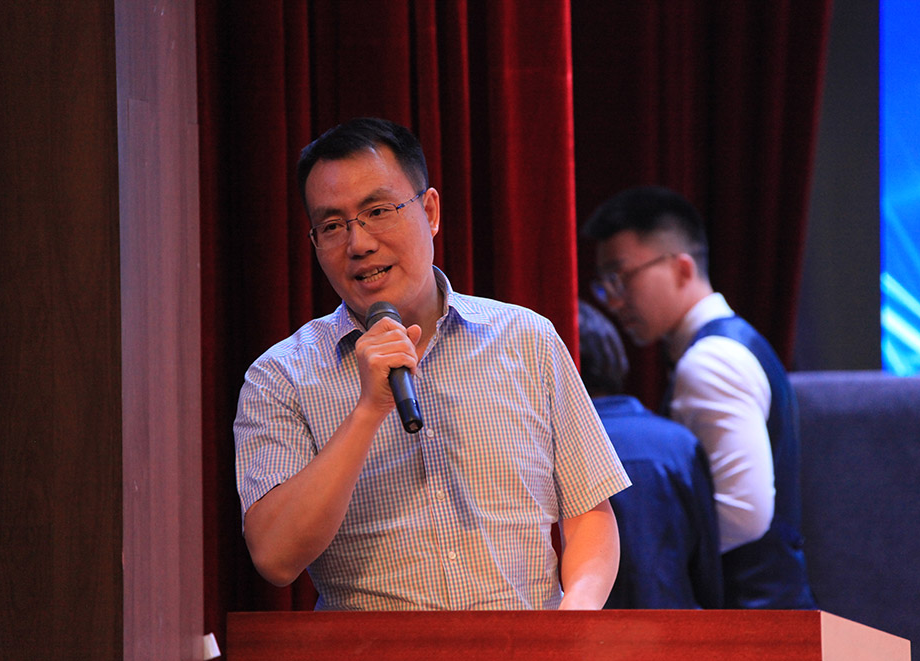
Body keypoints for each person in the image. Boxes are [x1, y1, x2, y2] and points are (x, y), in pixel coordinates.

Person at [233, 117, 630, 611]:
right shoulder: (280, 377)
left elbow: (588, 509)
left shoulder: (527, 338)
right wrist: (367, 412)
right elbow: (274, 557)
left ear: (430, 211)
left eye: (378, 211)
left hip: (525, 644)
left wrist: (574, 619)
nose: (359, 244)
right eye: (332, 226)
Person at [581, 185, 816, 610]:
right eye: (605, 284)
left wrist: (652, 557)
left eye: (621, 277)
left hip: (753, 619)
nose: (613, 300)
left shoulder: (710, 361)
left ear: (682, 267)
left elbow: (744, 513)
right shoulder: (725, 345)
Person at [577, 300, 723, 609]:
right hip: (682, 631)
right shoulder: (680, 443)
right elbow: (708, 573)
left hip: (590, 634)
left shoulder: (556, 450)